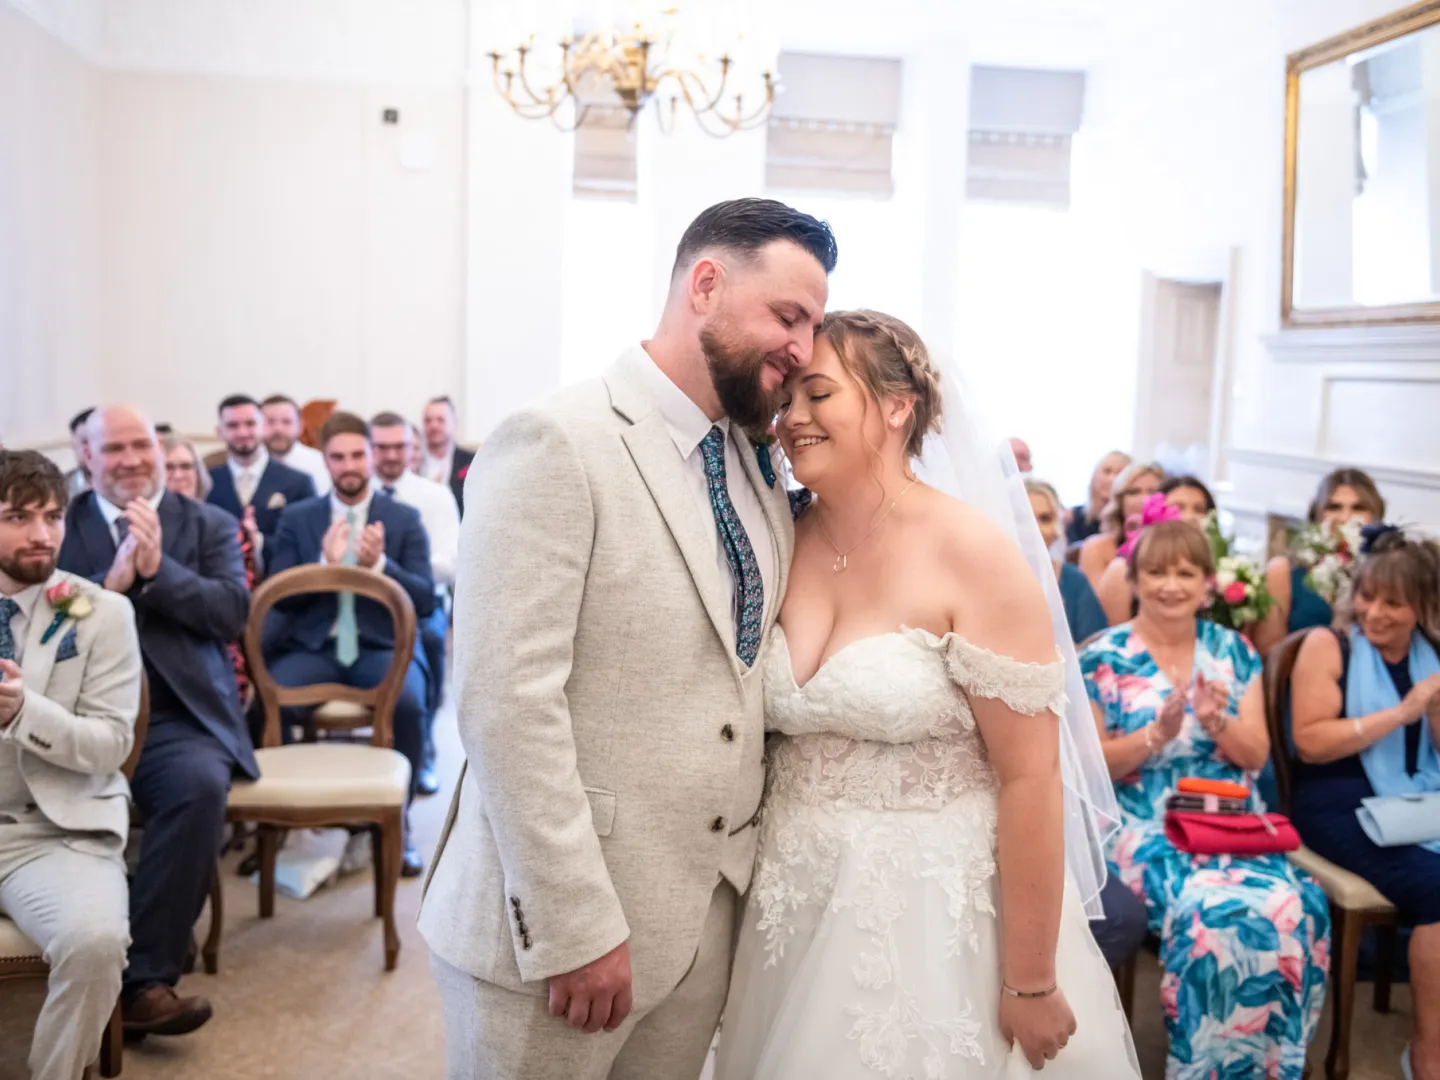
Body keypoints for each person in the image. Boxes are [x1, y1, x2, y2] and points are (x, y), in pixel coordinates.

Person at [419, 197, 836, 1080]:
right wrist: (574, 925)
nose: (802, 349)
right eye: (788, 316)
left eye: (814, 327)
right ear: (707, 284)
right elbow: (505, 703)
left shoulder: (755, 461)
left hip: (700, 919)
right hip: (566, 930)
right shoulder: (554, 441)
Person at [716, 311, 1137, 1079]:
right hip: (788, 901)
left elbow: (1031, 779)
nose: (792, 419)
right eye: (786, 401)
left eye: (819, 394)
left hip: (928, 913)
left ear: (897, 407)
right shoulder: (781, 537)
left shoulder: (971, 551)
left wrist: (1031, 978)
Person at [1080, 519, 1330, 1079]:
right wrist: (1156, 735)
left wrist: (1215, 720)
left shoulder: (1233, 651)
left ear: (1207, 584)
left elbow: (1255, 757)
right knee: (1210, 910)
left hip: (1229, 820)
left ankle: (1272, 1064)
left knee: (1295, 903)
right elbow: (1090, 766)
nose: (1171, 585)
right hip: (1142, 822)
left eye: (1186, 572)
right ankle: (1202, 1067)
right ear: (1136, 580)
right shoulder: (1102, 656)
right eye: (1157, 572)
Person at [58, 405, 258, 1038]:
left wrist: (156, 571)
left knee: (199, 787)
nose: (131, 460)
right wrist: (108, 586)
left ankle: (144, 981)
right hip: (73, 712)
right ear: (87, 458)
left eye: (140, 445)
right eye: (113, 449)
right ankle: (67, 961)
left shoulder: (208, 523)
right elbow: (33, 615)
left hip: (177, 716)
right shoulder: (54, 526)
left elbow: (229, 612)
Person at [0, 449, 139, 1080]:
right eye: (17, 516)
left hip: (57, 833)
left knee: (96, 942)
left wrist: (21, 711)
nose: (41, 534)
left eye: (52, 516)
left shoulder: (103, 613)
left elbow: (111, 743)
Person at [1289, 525, 1440, 1080]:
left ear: (1424, 606)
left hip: (1421, 795)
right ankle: (1428, 1056)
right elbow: (1311, 742)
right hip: (1337, 799)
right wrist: (1399, 714)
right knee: (1438, 890)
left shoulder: (1434, 655)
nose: (1374, 612)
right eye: (1367, 596)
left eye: (1394, 603)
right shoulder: (1329, 645)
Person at [262, 411, 434, 876]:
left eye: (358, 453)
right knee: (265, 704)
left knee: (411, 706)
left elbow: (424, 600)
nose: (349, 464)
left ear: (373, 456)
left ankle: (400, 820)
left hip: (381, 647)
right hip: (314, 646)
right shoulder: (299, 519)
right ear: (326, 461)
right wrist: (324, 564)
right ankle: (277, 821)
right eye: (338, 457)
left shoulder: (402, 518)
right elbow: (276, 594)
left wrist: (381, 567)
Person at [370, 410, 460, 797]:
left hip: (420, 605)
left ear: (413, 448)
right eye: (382, 447)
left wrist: (404, 568)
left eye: (399, 447)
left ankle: (423, 743)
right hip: (362, 609)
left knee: (434, 639)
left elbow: (452, 563)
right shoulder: (352, 492)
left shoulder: (433, 496)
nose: (391, 455)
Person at [163, 434, 259, 699]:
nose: (179, 475)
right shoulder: (144, 530)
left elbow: (238, 602)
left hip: (217, 641)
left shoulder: (223, 527)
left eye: (186, 466)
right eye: (169, 467)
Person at [1252, 467, 1386, 656]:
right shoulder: (1284, 571)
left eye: (1359, 508)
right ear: (1317, 515)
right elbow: (1267, 651)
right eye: (1334, 507)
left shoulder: (1387, 572)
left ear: (1375, 516)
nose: (1345, 518)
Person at [1096, 475, 1216, 627]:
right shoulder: (1122, 569)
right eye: (1178, 507)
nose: (1190, 517)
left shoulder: (1224, 567)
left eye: (1199, 509)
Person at [207, 394, 316, 548]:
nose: (243, 433)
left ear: (263, 426)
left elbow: (306, 543)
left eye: (250, 424)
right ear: (219, 432)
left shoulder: (299, 483)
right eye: (233, 425)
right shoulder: (207, 482)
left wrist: (259, 542)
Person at [1026, 477, 1108, 645]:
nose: (1035, 528)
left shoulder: (1074, 581)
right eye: (1024, 518)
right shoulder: (983, 580)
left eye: (1045, 519)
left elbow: (1093, 649)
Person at [1076, 460, 1164, 590]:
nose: (1144, 499)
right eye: (1134, 492)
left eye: (1152, 492)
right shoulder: (1097, 548)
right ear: (1119, 500)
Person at [261, 394, 331, 496]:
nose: (278, 429)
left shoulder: (320, 464)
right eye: (270, 422)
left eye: (287, 422)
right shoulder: (245, 465)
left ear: (300, 426)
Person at [421, 396, 475, 516]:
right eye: (428, 420)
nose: (433, 426)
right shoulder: (414, 462)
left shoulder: (472, 462)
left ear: (454, 422)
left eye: (440, 420)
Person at [1067, 450, 1131, 546]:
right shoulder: (1071, 517)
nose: (1112, 479)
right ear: (1094, 476)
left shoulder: (1131, 524)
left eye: (1119, 473)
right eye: (1107, 471)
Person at [63, 408, 95, 500]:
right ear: (73, 446)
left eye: (98, 441)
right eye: (85, 442)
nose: (91, 449)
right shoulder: (56, 489)